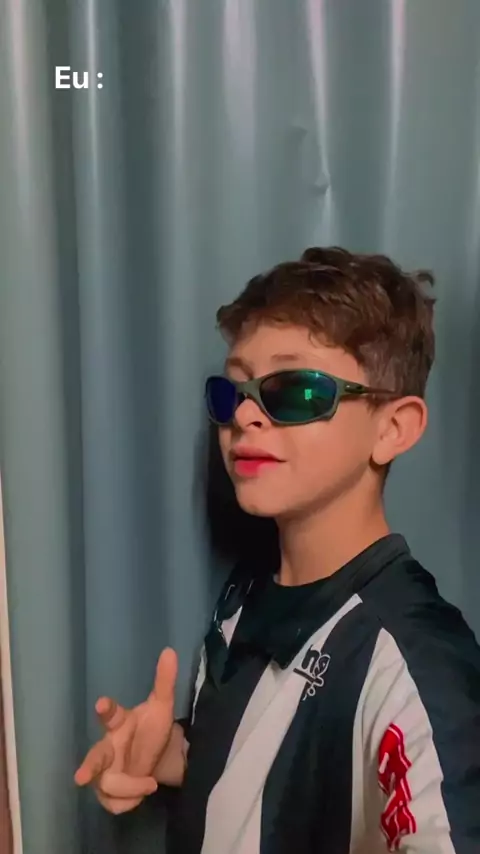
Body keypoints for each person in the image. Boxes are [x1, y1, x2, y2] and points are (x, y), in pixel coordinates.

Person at [75, 247, 480, 853]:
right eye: (232, 391)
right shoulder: (247, 591)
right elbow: (257, 760)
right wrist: (170, 755)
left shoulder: (416, 662)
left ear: (393, 427)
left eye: (295, 391)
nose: (245, 415)